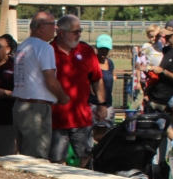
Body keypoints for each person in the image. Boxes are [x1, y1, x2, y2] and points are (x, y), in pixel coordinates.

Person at [48, 15, 105, 167]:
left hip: (81, 118)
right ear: (61, 33)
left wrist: (102, 104)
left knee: (86, 158)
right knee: (57, 161)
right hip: (56, 118)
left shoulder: (86, 50)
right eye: (75, 31)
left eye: (80, 30)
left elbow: (97, 79)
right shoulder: (48, 50)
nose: (79, 34)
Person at [12, 12, 70, 158]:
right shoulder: (44, 47)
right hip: (36, 108)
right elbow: (50, 80)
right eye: (53, 24)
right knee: (36, 157)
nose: (56, 28)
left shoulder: (23, 46)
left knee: (24, 154)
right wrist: (63, 98)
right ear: (42, 27)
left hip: (21, 105)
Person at [90, 34, 114, 122]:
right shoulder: (91, 63)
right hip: (94, 105)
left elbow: (112, 76)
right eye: (101, 48)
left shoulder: (110, 63)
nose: (104, 51)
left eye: (106, 49)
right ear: (97, 47)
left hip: (108, 105)